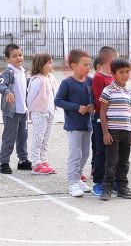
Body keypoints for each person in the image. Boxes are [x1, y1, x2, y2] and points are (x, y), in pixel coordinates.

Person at [55, 49, 95, 197]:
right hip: (74, 125)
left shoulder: (90, 81)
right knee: (75, 154)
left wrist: (93, 107)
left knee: (85, 154)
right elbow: (58, 100)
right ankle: (72, 183)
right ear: (73, 66)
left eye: (89, 64)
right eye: (84, 64)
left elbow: (95, 99)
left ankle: (78, 178)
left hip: (87, 124)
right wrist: (77, 108)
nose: (88, 67)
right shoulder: (67, 83)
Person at [99, 59, 131, 201]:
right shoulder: (108, 90)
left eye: (127, 72)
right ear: (113, 74)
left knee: (124, 161)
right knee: (111, 161)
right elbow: (102, 112)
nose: (125, 75)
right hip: (113, 132)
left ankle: (122, 187)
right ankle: (107, 188)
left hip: (126, 132)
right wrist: (105, 132)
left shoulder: (130, 93)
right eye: (121, 72)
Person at [0, 43, 32, 174]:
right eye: (14, 56)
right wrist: (7, 91)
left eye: (20, 55)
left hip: (23, 110)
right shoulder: (8, 72)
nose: (18, 58)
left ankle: (23, 160)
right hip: (11, 112)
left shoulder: (22, 71)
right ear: (8, 59)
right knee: (9, 137)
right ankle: (3, 162)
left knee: (23, 136)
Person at [91, 46, 118, 196]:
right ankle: (98, 182)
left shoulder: (113, 78)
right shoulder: (99, 78)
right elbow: (100, 102)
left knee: (113, 152)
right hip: (102, 118)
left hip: (114, 118)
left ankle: (111, 181)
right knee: (101, 151)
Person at [26, 53, 57, 175]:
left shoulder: (51, 78)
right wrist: (32, 111)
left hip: (49, 112)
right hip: (39, 113)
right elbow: (30, 98)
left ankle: (43, 160)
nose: (52, 64)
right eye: (49, 62)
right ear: (41, 65)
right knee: (38, 138)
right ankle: (36, 164)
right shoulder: (37, 80)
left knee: (45, 138)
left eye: (51, 62)